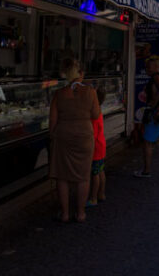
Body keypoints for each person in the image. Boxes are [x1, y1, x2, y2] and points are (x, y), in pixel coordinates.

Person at [49, 58, 100, 223]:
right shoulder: (91, 92)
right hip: (84, 135)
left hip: (64, 135)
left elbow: (52, 121)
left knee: (62, 176)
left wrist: (53, 135)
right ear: (81, 74)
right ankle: (80, 213)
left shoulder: (59, 94)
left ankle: (65, 214)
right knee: (83, 176)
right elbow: (96, 115)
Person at [87, 87, 107, 207]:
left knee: (95, 173)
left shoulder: (93, 115)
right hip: (101, 145)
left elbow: (92, 135)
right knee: (100, 171)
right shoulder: (99, 110)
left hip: (95, 148)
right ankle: (101, 194)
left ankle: (93, 198)